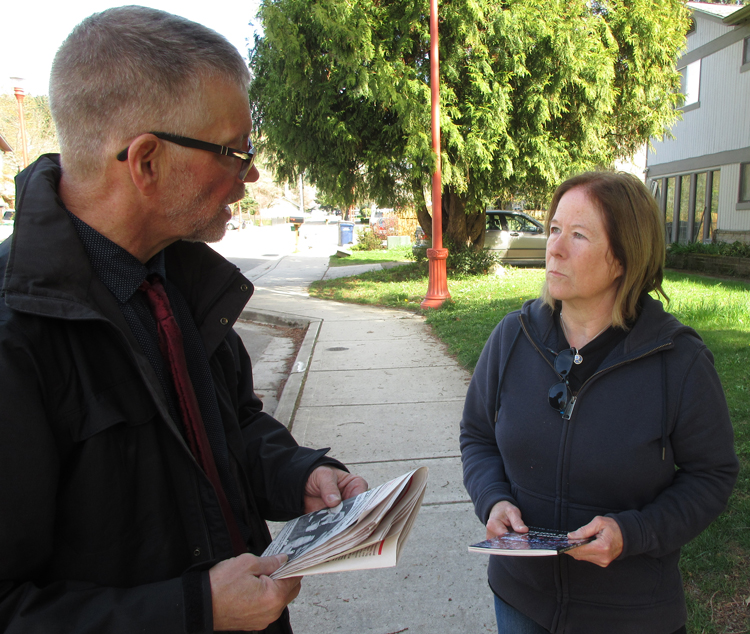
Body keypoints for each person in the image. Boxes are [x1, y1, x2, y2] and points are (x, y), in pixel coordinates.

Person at [0, 7, 367, 633]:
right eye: (232, 151)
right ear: (146, 163)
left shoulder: (183, 280)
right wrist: (196, 610)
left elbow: (230, 427)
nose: (250, 173)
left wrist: (296, 474)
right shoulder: (17, 337)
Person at [460, 171, 739, 634]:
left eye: (579, 235)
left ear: (624, 258)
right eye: (553, 229)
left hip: (630, 614)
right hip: (519, 601)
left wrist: (634, 533)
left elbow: (712, 475)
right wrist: (493, 500)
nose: (555, 247)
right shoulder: (513, 336)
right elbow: (477, 435)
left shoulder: (678, 360)